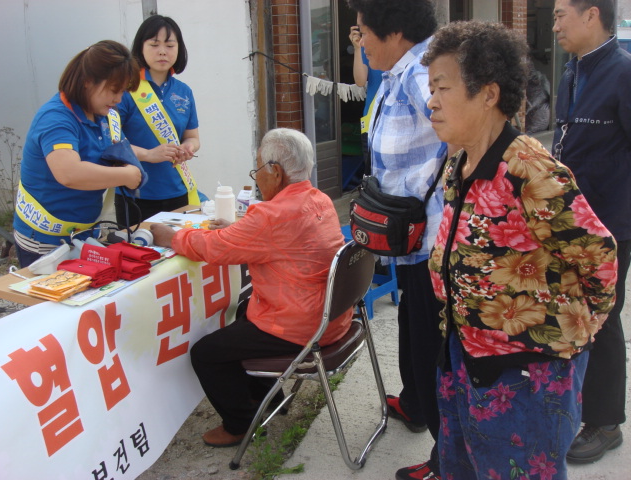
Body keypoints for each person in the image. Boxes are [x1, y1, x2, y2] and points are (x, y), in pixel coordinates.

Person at [422, 20, 618, 479]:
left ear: (488, 94)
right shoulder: (460, 162)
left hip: (526, 377)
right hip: (465, 357)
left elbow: (600, 259)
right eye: (431, 90)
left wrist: (570, 338)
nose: (431, 101)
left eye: (443, 88)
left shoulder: (529, 170)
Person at [150, 128, 351, 447]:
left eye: (257, 170)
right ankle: (268, 397)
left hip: (303, 327)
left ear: (276, 171)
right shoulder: (320, 199)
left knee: (206, 353)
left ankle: (239, 424)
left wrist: (170, 237)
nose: (257, 178)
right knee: (244, 309)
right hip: (333, 317)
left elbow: (214, 249)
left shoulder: (272, 215)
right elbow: (277, 237)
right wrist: (241, 230)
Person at [345, 1, 447, 479]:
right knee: (411, 321)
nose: (360, 41)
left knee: (431, 340)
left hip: (431, 240)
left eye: (363, 31)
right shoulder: (398, 71)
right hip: (408, 236)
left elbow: (465, 131)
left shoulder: (423, 74)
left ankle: (447, 460)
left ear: (394, 31)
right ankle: (415, 403)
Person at [552, 0, 631, 464]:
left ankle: (606, 422)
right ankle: (578, 406)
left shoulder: (623, 72)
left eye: (561, 14)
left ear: (592, 15)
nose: (555, 25)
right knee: (575, 316)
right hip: (571, 223)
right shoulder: (571, 71)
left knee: (603, 317)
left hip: (612, 224)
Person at [13, 40, 142, 268]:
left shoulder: (104, 115)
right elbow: (69, 173)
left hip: (83, 233)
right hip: (46, 241)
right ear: (87, 81)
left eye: (122, 91)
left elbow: (118, 151)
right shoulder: (56, 118)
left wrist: (144, 159)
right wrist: (126, 176)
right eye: (114, 90)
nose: (118, 99)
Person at [116, 14, 201, 226]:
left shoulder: (184, 91)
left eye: (170, 45)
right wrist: (148, 154)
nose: (163, 51)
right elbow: (111, 143)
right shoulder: (125, 90)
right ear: (140, 48)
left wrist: (188, 147)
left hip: (178, 191)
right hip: (136, 194)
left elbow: (193, 137)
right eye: (154, 44)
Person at [349, 24, 383, 175]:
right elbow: (360, 81)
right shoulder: (366, 47)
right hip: (371, 120)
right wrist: (357, 48)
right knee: (371, 175)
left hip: (396, 120)